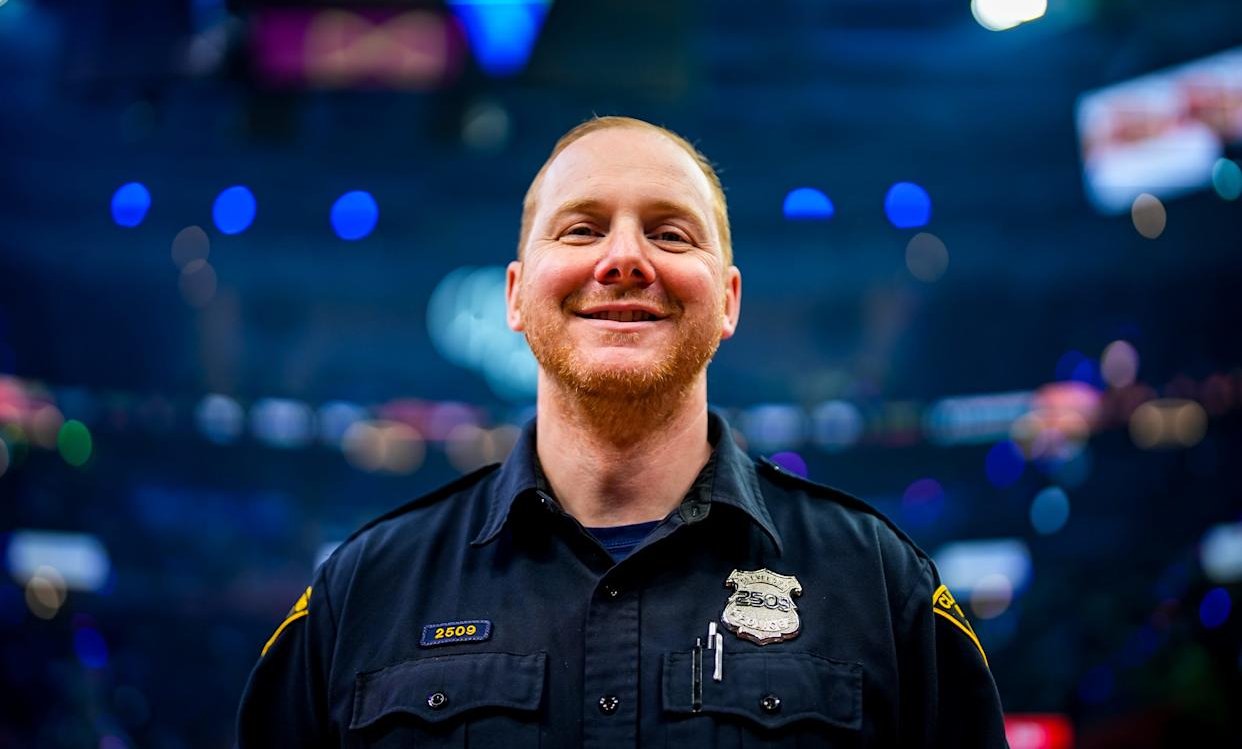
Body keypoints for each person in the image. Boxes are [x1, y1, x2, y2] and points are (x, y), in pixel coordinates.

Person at [236, 116, 1010, 747]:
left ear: (730, 300)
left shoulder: (878, 584)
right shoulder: (364, 591)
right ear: (515, 295)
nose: (625, 259)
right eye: (581, 230)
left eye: (672, 234)